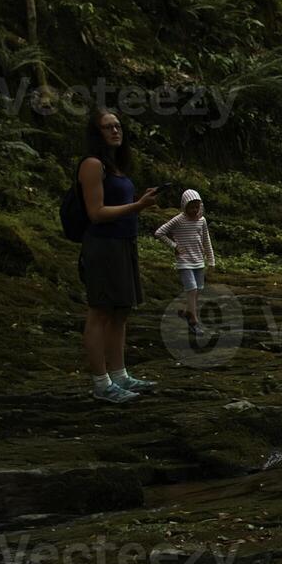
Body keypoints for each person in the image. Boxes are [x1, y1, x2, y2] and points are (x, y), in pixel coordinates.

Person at [78, 109, 158, 403]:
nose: (115, 131)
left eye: (117, 126)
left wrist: (137, 203)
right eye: (107, 127)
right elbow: (96, 213)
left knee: (121, 311)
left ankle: (120, 374)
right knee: (100, 310)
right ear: (96, 133)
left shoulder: (115, 167)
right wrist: (137, 206)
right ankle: (101, 382)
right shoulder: (92, 164)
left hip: (124, 242)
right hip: (102, 244)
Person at [153, 189, 216, 337]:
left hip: (199, 260)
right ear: (184, 206)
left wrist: (211, 260)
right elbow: (159, 233)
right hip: (184, 261)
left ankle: (187, 311)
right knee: (192, 289)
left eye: (197, 206)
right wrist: (174, 246)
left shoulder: (202, 221)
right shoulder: (178, 220)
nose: (194, 210)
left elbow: (206, 241)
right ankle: (194, 321)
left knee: (198, 289)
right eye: (191, 207)